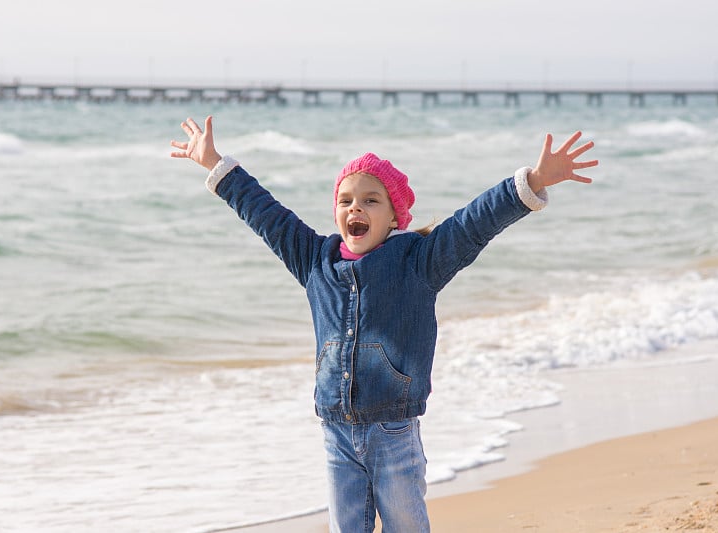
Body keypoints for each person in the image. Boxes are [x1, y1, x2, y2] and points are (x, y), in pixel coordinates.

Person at [170, 116, 597, 532]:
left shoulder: (418, 262)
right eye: (346, 200)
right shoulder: (314, 260)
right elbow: (267, 215)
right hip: (337, 430)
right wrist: (216, 165)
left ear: (394, 216)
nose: (356, 207)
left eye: (370, 200)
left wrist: (533, 182)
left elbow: (473, 225)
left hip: (394, 431)